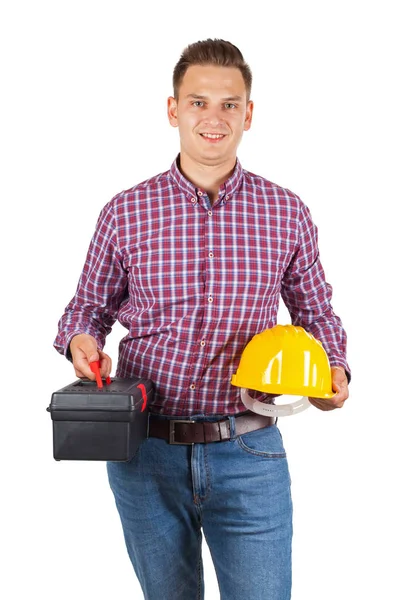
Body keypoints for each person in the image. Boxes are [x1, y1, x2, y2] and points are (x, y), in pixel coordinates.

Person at [54, 38, 350, 600]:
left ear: (249, 113)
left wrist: (334, 372)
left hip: (250, 451)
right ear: (173, 110)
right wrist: (83, 341)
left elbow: (316, 312)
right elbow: (87, 307)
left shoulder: (286, 212)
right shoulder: (125, 211)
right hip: (144, 452)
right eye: (198, 102)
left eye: (229, 104)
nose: (213, 118)